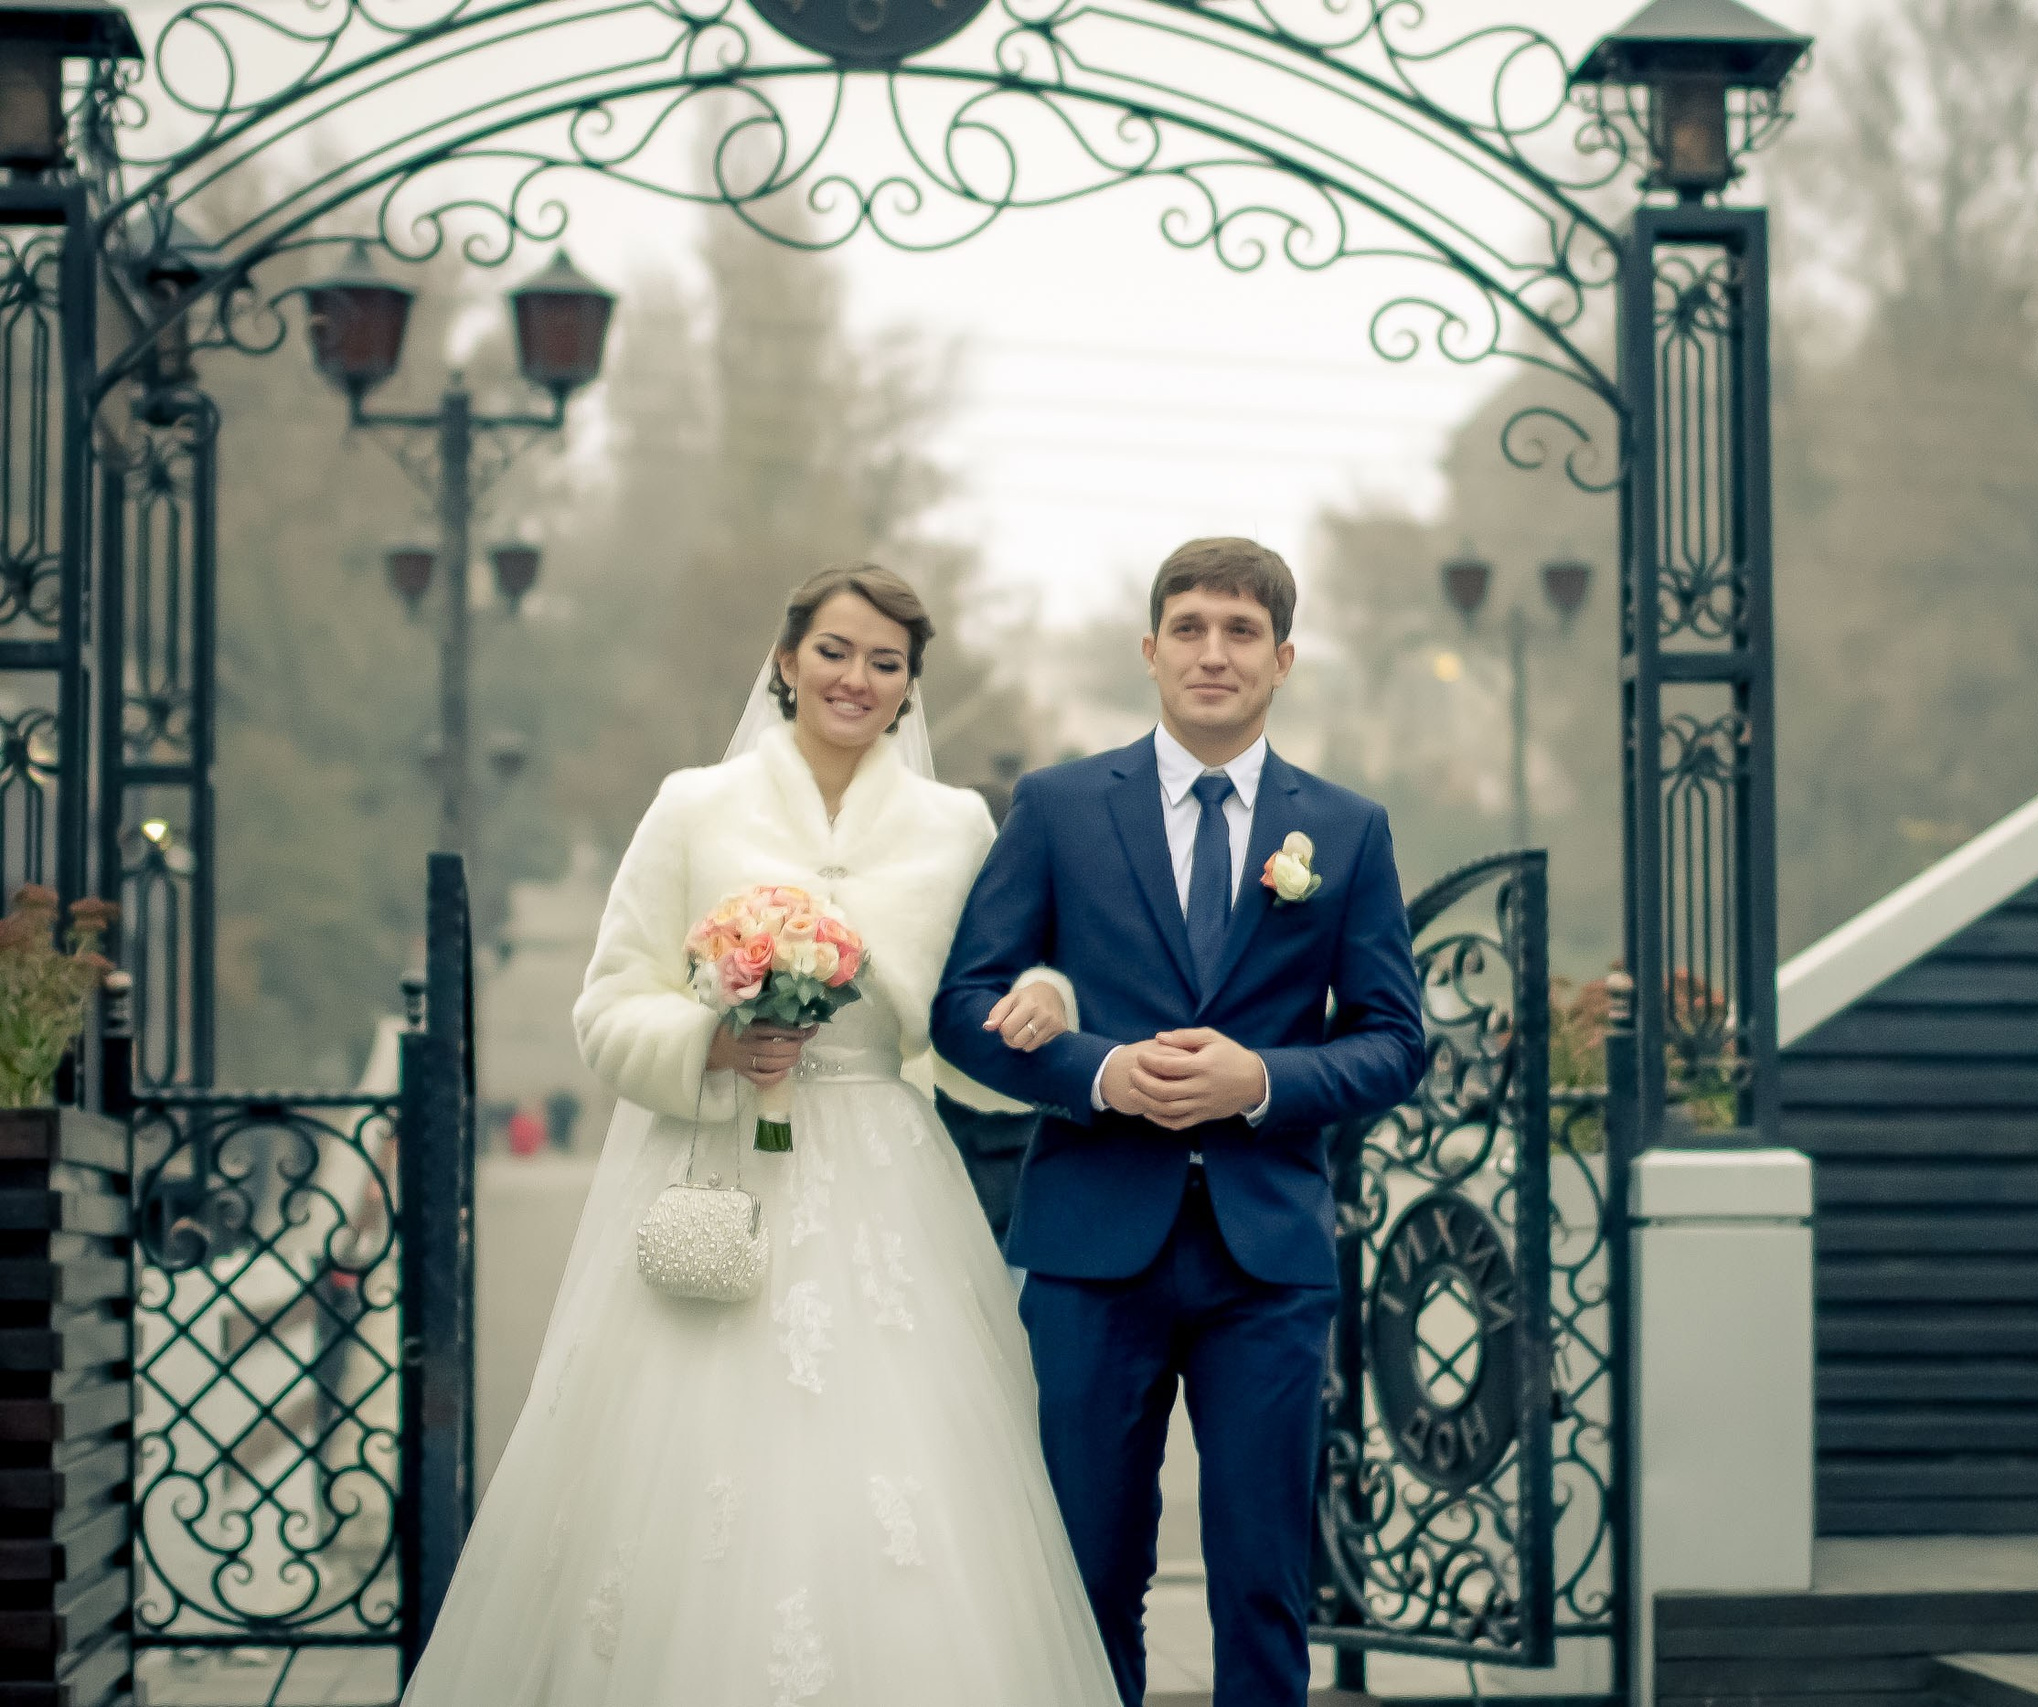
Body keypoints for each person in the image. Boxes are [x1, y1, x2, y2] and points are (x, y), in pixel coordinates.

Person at [399, 564, 1115, 1707]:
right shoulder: (696, 804)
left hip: (885, 1176)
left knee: (899, 1462)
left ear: (910, 688)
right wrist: (710, 1045)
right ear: (786, 662)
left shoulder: (956, 824)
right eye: (834, 650)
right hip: (716, 1165)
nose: (856, 678)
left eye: (886, 662)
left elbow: (989, 994)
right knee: (688, 1466)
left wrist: (1046, 999)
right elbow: (606, 1004)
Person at [933, 537, 1429, 1707]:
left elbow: (1394, 1038)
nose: (1215, 652)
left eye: (1242, 632)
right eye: (1192, 628)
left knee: (1264, 1577)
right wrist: (1101, 1073)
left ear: (1284, 659)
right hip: (1091, 1245)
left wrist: (1258, 1079)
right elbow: (961, 1008)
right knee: (1083, 1567)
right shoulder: (1056, 808)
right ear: (1151, 651)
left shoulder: (1345, 831)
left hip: (1268, 1254)